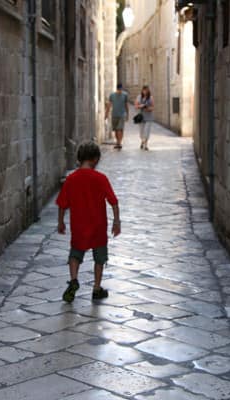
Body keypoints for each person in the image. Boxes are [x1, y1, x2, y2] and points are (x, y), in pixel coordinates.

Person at [56, 141, 121, 302]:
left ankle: (73, 280)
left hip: (79, 225)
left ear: (79, 158)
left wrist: (61, 222)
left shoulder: (71, 179)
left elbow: (62, 204)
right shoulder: (100, 178)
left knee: (75, 254)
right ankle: (96, 288)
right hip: (98, 226)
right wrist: (117, 221)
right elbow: (113, 201)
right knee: (99, 258)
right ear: (95, 159)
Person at [105, 83, 129, 149]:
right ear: (117, 89)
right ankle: (118, 142)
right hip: (114, 115)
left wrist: (127, 114)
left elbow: (126, 105)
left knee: (119, 129)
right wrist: (106, 114)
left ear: (122, 89)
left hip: (122, 115)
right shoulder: (112, 95)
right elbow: (109, 105)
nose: (120, 91)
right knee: (116, 130)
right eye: (119, 89)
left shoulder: (125, 95)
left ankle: (119, 143)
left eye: (121, 89)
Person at [135, 85, 154, 151]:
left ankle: (146, 145)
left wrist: (148, 108)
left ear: (148, 90)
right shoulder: (139, 97)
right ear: (142, 90)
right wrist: (141, 106)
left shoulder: (151, 98)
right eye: (144, 90)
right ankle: (142, 141)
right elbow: (136, 106)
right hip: (141, 117)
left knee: (147, 132)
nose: (145, 91)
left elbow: (152, 107)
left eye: (146, 90)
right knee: (141, 132)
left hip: (149, 117)